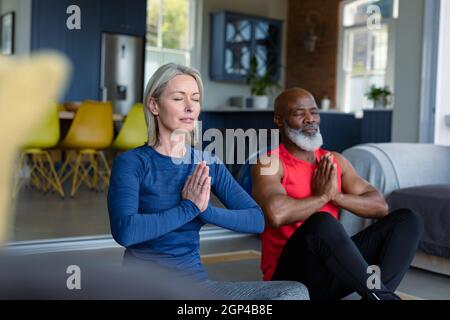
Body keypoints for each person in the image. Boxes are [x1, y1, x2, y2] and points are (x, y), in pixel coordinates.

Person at [107, 63, 309, 300]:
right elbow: (126, 232)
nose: (190, 107)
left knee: (294, 293)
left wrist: (206, 212)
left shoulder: (207, 163)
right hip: (145, 289)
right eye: (178, 98)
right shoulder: (133, 162)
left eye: (195, 98)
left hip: (196, 289)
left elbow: (256, 220)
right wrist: (188, 208)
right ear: (154, 105)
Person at [251, 88, 424, 300]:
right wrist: (322, 197)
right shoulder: (270, 163)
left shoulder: (334, 160)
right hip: (289, 279)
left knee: (407, 220)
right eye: (299, 113)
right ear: (279, 120)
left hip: (332, 270)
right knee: (321, 222)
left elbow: (380, 206)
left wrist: (336, 196)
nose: (310, 119)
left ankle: (379, 296)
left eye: (314, 112)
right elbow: (275, 214)